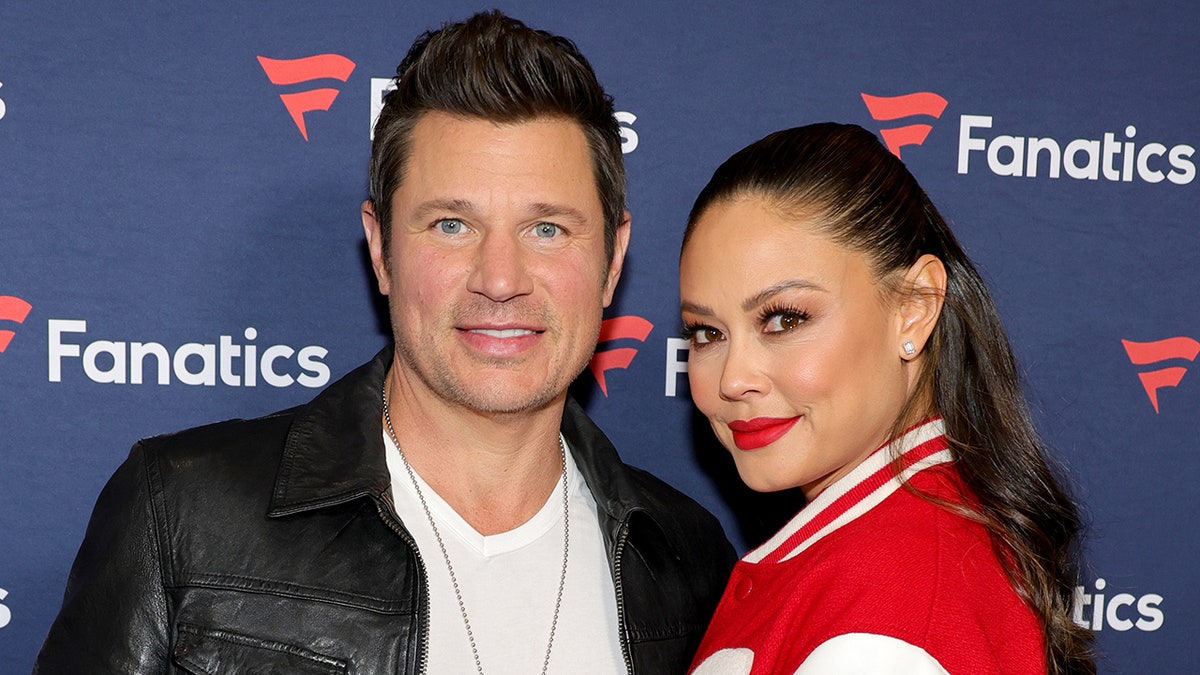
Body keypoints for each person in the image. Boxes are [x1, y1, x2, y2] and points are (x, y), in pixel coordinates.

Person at [35, 11, 735, 674]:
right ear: (380, 248)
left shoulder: (687, 562)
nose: (500, 279)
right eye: (451, 225)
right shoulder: (181, 517)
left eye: (547, 228)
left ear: (612, 260)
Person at [679, 123, 1094, 675]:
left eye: (784, 319)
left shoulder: (881, 621)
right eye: (707, 333)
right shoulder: (910, 549)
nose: (733, 379)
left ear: (915, 306)